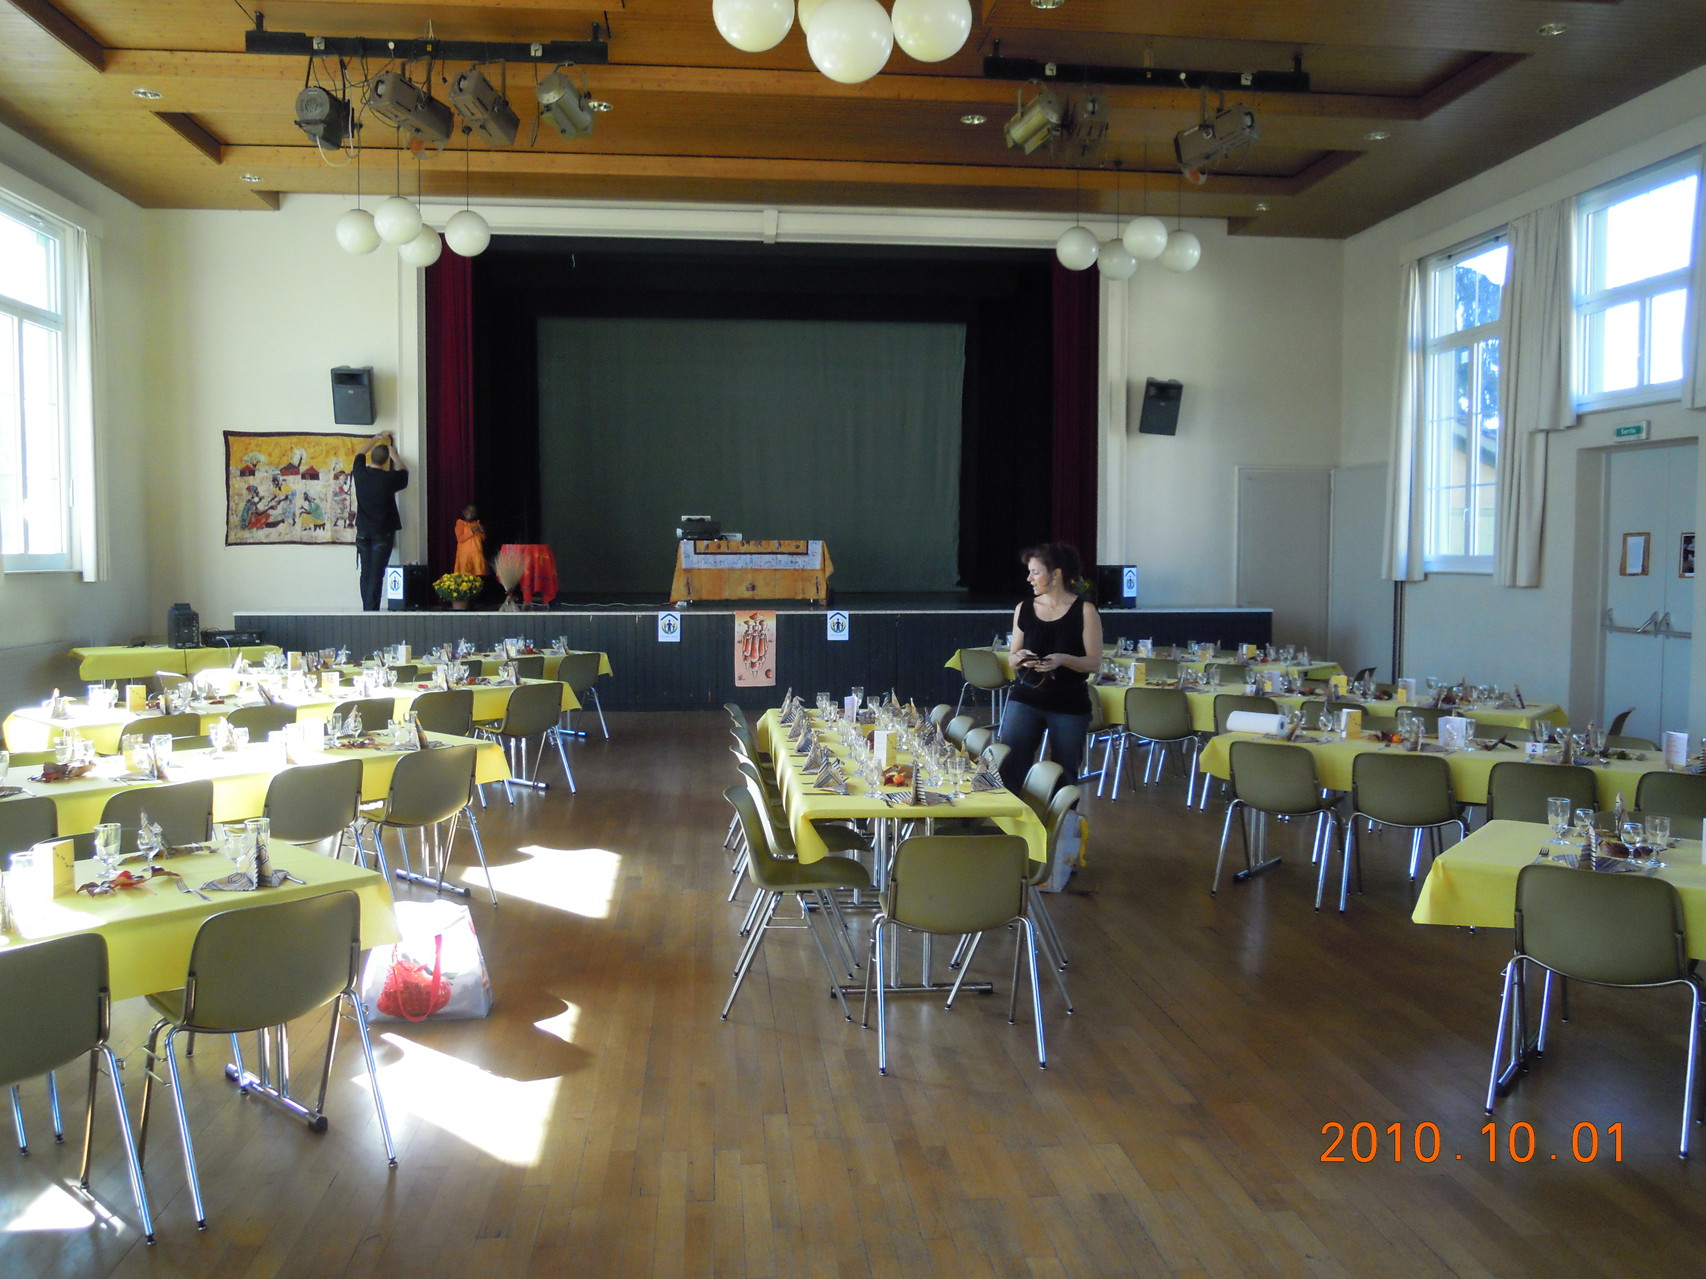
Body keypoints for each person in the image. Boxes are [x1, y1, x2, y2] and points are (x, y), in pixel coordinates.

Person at [996, 542, 1103, 795]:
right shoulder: (1025, 608)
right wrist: (1021, 657)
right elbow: (1011, 658)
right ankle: (1010, 825)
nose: (1029, 578)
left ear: (1056, 574)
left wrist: (1063, 659)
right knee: (1010, 763)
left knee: (1065, 771)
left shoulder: (1085, 611)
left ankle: (1061, 829)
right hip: (1026, 696)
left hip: (1069, 702)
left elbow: (1094, 662)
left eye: (1035, 572)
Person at [353, 432, 408, 611]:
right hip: (382, 533)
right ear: (386, 461)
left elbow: (360, 452)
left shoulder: (360, 473)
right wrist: (396, 456)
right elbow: (404, 472)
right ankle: (371, 611)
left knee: (365, 573)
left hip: (362, 532)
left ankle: (366, 609)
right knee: (377, 575)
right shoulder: (389, 479)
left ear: (372, 457)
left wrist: (378, 437)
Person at [454, 503, 488, 576]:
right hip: (464, 556)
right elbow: (460, 539)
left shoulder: (477, 524)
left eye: (473, 512)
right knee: (465, 577)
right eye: (469, 510)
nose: (471, 513)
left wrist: (482, 531)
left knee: (479, 575)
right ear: (464, 512)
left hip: (477, 555)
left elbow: (483, 539)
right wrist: (471, 530)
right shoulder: (460, 524)